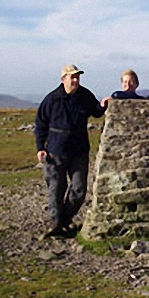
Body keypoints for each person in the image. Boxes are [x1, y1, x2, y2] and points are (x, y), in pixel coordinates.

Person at [35, 64, 107, 236]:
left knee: (79, 188)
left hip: (79, 151)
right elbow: (40, 124)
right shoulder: (52, 99)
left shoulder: (85, 95)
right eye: (72, 77)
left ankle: (64, 219)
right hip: (55, 151)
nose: (75, 80)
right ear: (63, 79)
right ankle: (55, 221)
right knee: (56, 187)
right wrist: (40, 148)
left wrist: (103, 105)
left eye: (77, 77)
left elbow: (96, 112)